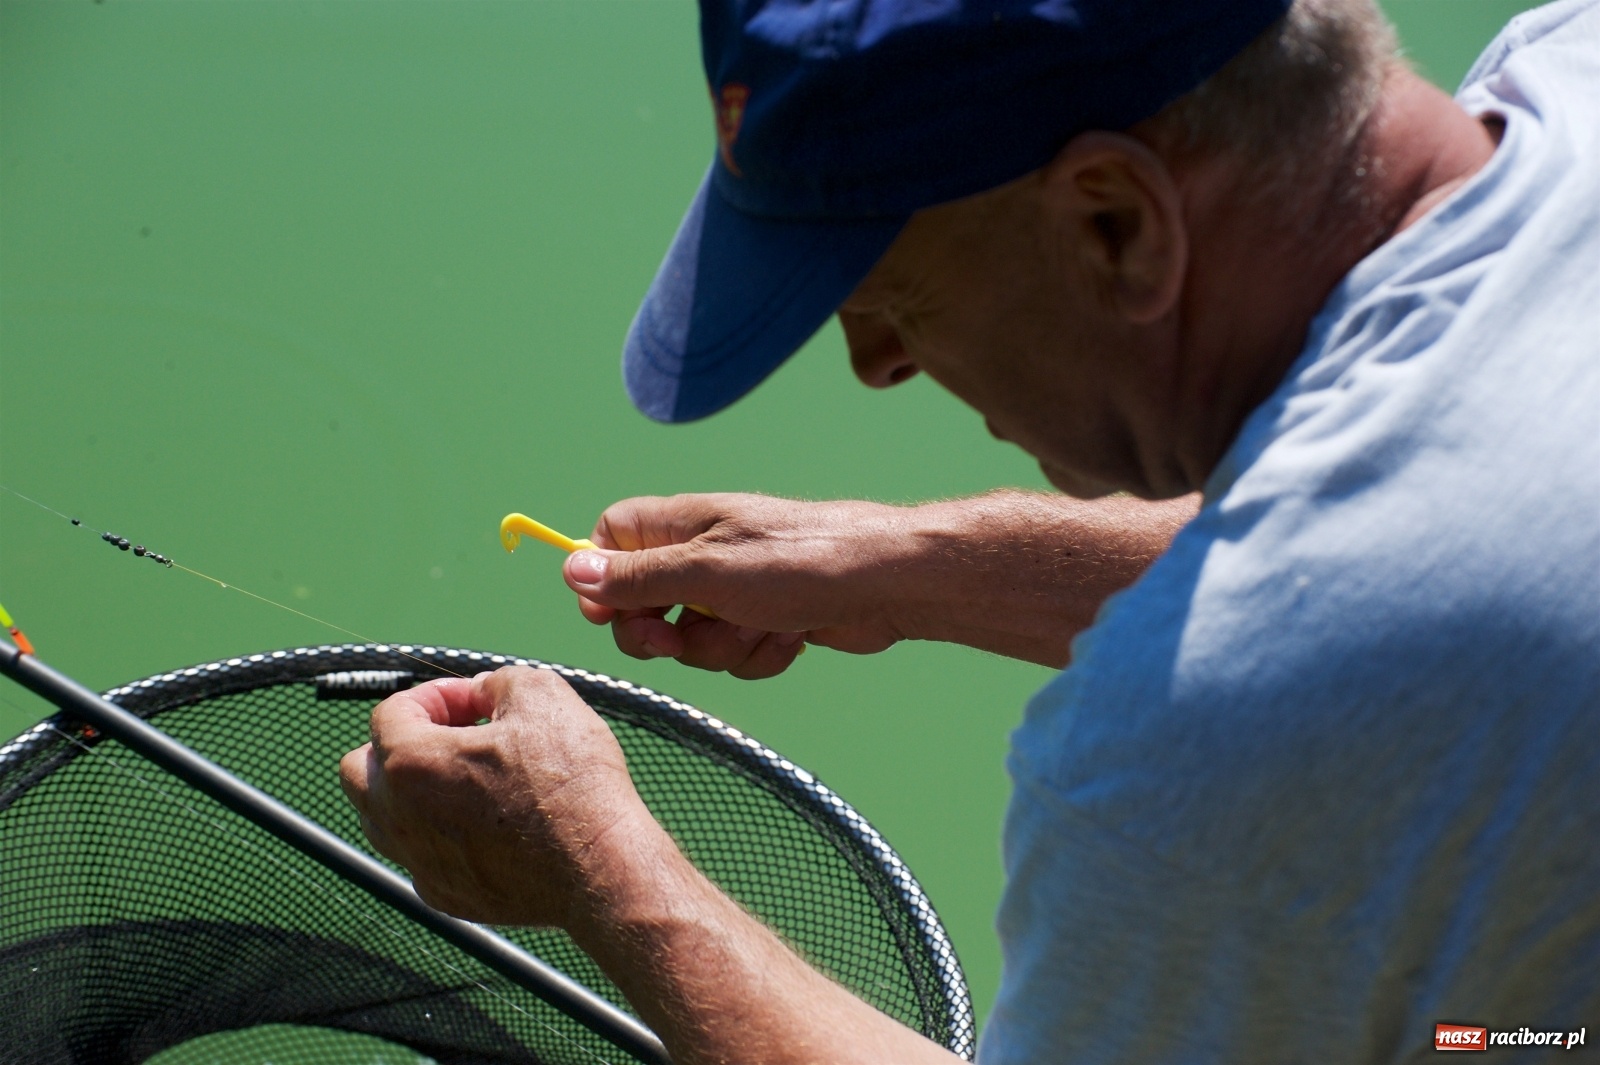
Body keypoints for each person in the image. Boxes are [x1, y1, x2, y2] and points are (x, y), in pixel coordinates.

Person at [340, 0, 1600, 1060]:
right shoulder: (1568, 58)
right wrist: (907, 569)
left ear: (1113, 222)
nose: (876, 364)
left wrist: (598, 872)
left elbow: (1353, 631)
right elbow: (1423, 555)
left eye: (893, 299)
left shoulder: (1210, 758)